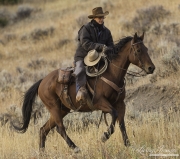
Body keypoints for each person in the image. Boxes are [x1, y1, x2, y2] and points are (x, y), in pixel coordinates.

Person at [74, 7, 114, 104]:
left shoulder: (107, 32)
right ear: (94, 18)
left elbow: (111, 46)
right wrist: (100, 46)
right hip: (82, 56)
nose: (101, 19)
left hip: (99, 57)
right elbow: (86, 44)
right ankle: (80, 92)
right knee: (79, 70)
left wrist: (110, 50)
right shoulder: (86, 28)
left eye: (102, 17)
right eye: (99, 17)